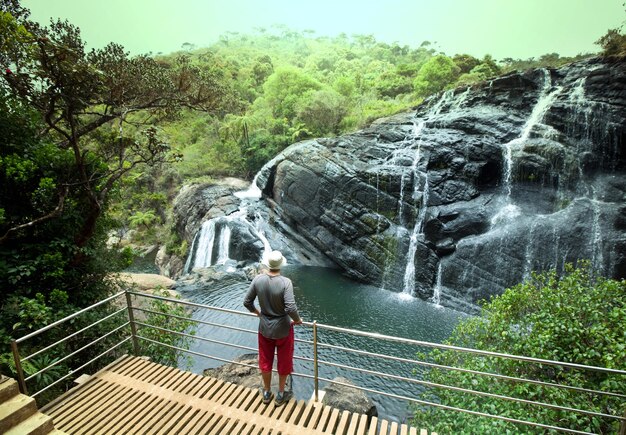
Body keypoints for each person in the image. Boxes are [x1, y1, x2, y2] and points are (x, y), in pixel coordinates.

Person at [243, 250, 303, 406]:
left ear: (268, 264)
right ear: (281, 264)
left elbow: (247, 302)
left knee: (265, 360)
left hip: (264, 328)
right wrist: (297, 320)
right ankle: (281, 394)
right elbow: (290, 307)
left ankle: (267, 392)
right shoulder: (285, 282)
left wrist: (258, 313)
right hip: (283, 329)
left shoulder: (257, 280)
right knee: (284, 361)